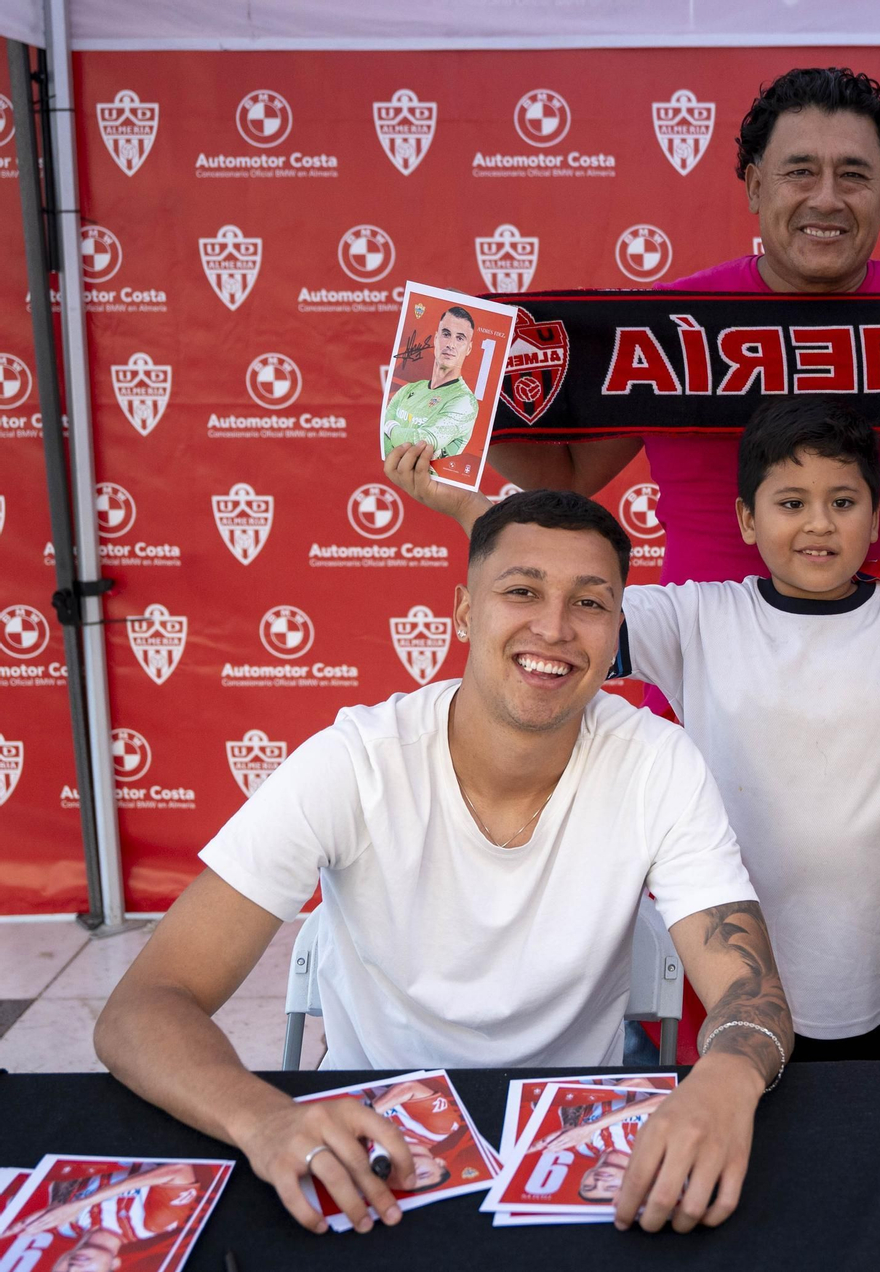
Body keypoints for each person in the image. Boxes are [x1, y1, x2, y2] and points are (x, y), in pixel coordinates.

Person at [94, 490, 794, 1238]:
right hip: (370, 1133)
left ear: (616, 627)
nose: (554, 627)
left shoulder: (658, 762)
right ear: (463, 611)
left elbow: (750, 994)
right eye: (521, 591)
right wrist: (265, 1119)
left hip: (570, 1135)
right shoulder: (357, 762)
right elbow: (142, 1008)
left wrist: (724, 1079)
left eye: (589, 603)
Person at [388, 397, 880, 1060]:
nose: (818, 524)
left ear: (877, 518)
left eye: (843, 502)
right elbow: (562, 605)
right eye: (791, 503)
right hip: (732, 993)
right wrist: (465, 507)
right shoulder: (698, 617)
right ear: (747, 519)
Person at [475, 66, 880, 587]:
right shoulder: (666, 324)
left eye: (853, 175)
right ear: (756, 187)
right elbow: (569, 474)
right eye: (800, 172)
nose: (826, 198)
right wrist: (443, 406)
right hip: (699, 638)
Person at [1, 1162, 202, 1268]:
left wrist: (56, 1203)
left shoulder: (62, 1226)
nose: (75, 1269)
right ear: (115, 1264)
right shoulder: (151, 1225)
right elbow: (180, 1169)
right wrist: (81, 1204)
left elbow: (62, 1173)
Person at [381, 304, 479, 459]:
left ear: (469, 348)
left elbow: (423, 442)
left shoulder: (465, 401)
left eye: (460, 338)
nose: (450, 344)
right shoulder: (409, 389)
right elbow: (382, 437)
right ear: (436, 339)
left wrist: (391, 427)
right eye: (446, 334)